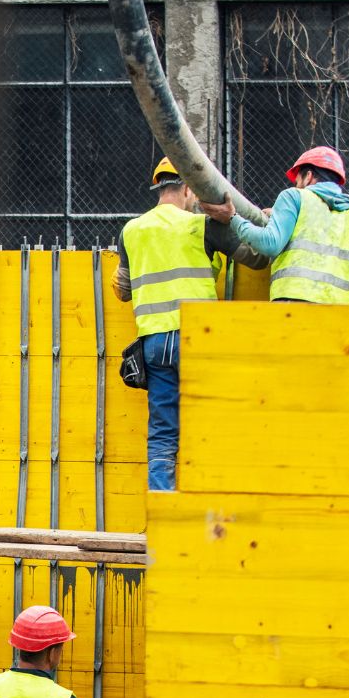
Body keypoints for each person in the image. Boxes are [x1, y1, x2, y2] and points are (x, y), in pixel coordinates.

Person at [116, 157, 268, 491]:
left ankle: (162, 506)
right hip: (195, 337)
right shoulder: (203, 227)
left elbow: (122, 289)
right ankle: (205, 507)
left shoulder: (131, 230)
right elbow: (257, 258)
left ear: (158, 188)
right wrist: (247, 220)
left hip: (154, 344)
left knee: (162, 433)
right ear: (188, 188)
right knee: (208, 422)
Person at [201, 146, 349, 304]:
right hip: (347, 313)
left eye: (298, 181)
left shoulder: (294, 196)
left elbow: (270, 244)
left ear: (308, 176)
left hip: (297, 303)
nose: (298, 185)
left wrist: (233, 218)